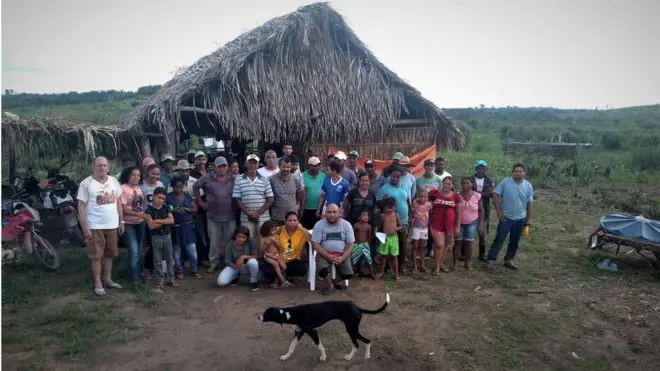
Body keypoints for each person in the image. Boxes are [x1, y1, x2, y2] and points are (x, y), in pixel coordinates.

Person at [77, 157, 125, 296]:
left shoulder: (113, 181)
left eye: (104, 165)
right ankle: (97, 281)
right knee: (96, 255)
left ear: (108, 167)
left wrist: (121, 221)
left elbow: (118, 202)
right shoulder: (86, 183)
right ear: (94, 166)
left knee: (110, 253)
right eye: (99, 165)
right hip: (95, 225)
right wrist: (85, 227)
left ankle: (108, 279)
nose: (102, 168)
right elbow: (81, 206)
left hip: (112, 224)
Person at [486, 163, 533, 270]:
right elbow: (495, 194)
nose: (517, 173)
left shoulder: (528, 185)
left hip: (520, 218)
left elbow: (530, 202)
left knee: (515, 240)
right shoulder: (505, 182)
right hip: (506, 217)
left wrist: (529, 218)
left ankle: (509, 259)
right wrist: (499, 211)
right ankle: (491, 259)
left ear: (524, 173)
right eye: (515, 171)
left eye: (520, 171)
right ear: (512, 172)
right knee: (500, 238)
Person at [193, 156, 236, 274]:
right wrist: (200, 202)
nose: (222, 168)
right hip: (213, 216)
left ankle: (229, 262)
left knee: (230, 241)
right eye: (219, 166)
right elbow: (195, 187)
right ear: (215, 167)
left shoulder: (234, 178)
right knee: (214, 242)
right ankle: (213, 263)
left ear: (227, 167)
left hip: (230, 216)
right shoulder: (207, 178)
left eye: (224, 166)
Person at [311, 204, 354, 295]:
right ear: (325, 213)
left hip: (341, 254)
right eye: (329, 212)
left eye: (334, 212)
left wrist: (342, 257)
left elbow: (350, 244)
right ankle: (331, 287)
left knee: (349, 274)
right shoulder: (319, 225)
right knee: (323, 271)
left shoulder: (346, 225)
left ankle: (333, 282)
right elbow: (315, 243)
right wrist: (328, 256)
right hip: (324, 254)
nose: (332, 215)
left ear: (339, 213)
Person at [260, 211, 311, 284]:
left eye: (295, 220)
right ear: (285, 222)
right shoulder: (279, 230)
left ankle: (285, 275)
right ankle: (278, 277)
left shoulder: (302, 231)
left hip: (292, 259)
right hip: (277, 258)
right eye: (290, 220)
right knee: (268, 272)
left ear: (298, 221)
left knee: (301, 269)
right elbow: (265, 233)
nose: (292, 222)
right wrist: (266, 250)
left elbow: (312, 240)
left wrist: (302, 228)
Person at [232, 154, 274, 241]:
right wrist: (249, 214)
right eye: (250, 163)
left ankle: (262, 255)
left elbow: (270, 198)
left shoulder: (265, 179)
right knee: (247, 241)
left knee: (264, 240)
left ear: (258, 164)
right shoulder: (238, 179)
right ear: (245, 164)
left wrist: (257, 214)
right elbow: (237, 199)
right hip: (246, 218)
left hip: (263, 217)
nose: (252, 165)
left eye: (255, 163)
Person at [167, 177, 201, 279]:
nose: (178, 189)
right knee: (176, 252)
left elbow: (195, 209)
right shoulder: (168, 197)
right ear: (172, 186)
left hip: (188, 226)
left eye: (180, 187)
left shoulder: (187, 195)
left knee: (192, 251)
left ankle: (195, 270)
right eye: (176, 187)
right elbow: (164, 211)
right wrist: (173, 211)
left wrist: (188, 209)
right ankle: (179, 271)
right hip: (175, 227)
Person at [378, 168, 412, 270]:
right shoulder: (385, 188)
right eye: (393, 176)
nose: (395, 178)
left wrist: (411, 214)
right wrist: (384, 199)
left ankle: (401, 265)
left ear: (400, 178)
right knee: (387, 243)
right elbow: (379, 203)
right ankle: (387, 266)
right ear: (390, 176)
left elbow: (408, 202)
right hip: (389, 221)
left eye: (397, 177)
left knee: (402, 242)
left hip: (403, 220)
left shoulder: (404, 187)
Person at [119, 165, 148, 284]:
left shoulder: (140, 189)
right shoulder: (122, 189)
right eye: (133, 175)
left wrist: (144, 215)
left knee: (140, 249)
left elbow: (142, 206)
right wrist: (139, 215)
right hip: (128, 223)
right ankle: (135, 278)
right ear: (128, 176)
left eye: (138, 175)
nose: (136, 177)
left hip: (140, 223)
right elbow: (123, 209)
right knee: (134, 249)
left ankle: (139, 273)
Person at [428, 177, 462, 275]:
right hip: (436, 223)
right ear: (442, 183)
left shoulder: (456, 196)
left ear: (452, 185)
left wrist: (457, 226)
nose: (447, 185)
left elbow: (459, 212)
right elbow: (425, 202)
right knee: (439, 245)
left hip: (449, 224)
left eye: (449, 184)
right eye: (445, 183)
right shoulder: (434, 193)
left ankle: (441, 263)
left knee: (445, 245)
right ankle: (437, 267)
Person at [145, 187, 177, 290]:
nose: (161, 200)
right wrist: (165, 221)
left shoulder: (166, 207)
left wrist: (158, 221)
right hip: (156, 237)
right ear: (153, 197)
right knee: (157, 259)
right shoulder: (148, 210)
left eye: (163, 199)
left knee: (170, 259)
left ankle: (171, 279)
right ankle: (160, 280)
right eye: (159, 197)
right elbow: (151, 226)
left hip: (167, 236)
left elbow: (172, 221)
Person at [216, 225, 260, 291]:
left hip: (247, 266)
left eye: (243, 237)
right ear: (235, 236)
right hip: (234, 266)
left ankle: (253, 281)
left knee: (253, 262)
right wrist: (237, 266)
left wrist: (243, 256)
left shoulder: (250, 241)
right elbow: (228, 261)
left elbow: (257, 255)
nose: (241, 239)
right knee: (221, 282)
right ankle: (235, 276)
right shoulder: (230, 244)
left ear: (247, 238)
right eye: (239, 236)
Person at [455, 177, 485, 270]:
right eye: (463, 183)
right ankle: (455, 262)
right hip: (459, 222)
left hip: (472, 222)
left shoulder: (477, 196)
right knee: (458, 242)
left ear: (472, 184)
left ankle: (467, 263)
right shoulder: (456, 195)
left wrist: (481, 224)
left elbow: (481, 210)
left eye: (468, 183)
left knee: (469, 243)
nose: (466, 185)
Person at [141, 163, 164, 279]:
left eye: (157, 174)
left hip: (159, 218)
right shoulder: (142, 185)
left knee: (158, 244)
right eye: (153, 173)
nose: (155, 176)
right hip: (147, 219)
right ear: (147, 173)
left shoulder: (160, 184)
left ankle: (155, 268)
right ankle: (147, 268)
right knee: (150, 244)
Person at [269, 156, 304, 224]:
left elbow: (299, 194)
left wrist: (292, 204)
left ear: (290, 167)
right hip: (276, 216)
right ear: (279, 166)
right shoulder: (272, 179)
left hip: (292, 216)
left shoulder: (296, 178)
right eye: (284, 167)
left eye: (288, 167)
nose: (286, 169)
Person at [190, 151, 209, 267]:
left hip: (211, 208)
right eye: (198, 159)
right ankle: (201, 258)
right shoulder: (192, 174)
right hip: (198, 208)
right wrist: (199, 203)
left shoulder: (211, 173)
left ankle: (208, 256)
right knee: (200, 234)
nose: (201, 161)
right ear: (195, 161)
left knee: (210, 234)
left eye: (203, 159)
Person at [472, 160, 494, 261]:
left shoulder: (489, 180)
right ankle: (463, 253)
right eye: (479, 168)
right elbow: (467, 190)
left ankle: (482, 254)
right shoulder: (470, 179)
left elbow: (489, 194)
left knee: (482, 231)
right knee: (469, 230)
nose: (481, 170)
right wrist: (482, 193)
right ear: (476, 169)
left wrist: (475, 192)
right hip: (471, 208)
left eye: (483, 168)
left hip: (484, 208)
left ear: (486, 169)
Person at [260, 221, 293, 288]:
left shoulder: (276, 236)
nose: (275, 231)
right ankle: (283, 280)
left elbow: (279, 246)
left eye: (275, 229)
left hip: (277, 255)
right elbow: (262, 250)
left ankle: (276, 280)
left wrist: (275, 241)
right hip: (268, 256)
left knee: (284, 267)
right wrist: (267, 244)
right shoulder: (263, 238)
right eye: (273, 230)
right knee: (275, 264)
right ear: (267, 230)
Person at [375, 197, 401, 280]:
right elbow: (379, 227)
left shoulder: (396, 215)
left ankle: (396, 273)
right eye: (388, 207)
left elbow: (401, 226)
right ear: (385, 207)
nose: (390, 210)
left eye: (392, 208)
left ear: (394, 207)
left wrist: (396, 229)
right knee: (384, 256)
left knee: (394, 256)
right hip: (385, 238)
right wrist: (376, 233)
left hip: (394, 238)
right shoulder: (382, 216)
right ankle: (381, 272)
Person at [411, 188, 432, 273]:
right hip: (416, 228)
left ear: (427, 197)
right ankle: (414, 265)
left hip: (425, 228)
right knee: (415, 246)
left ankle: (422, 265)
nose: (422, 198)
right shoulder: (415, 203)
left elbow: (431, 212)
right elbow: (412, 203)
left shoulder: (429, 205)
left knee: (422, 247)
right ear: (417, 197)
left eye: (424, 197)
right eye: (420, 197)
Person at [301, 156, 325, 229]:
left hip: (319, 208)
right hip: (306, 208)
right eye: (314, 166)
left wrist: (320, 208)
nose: (317, 167)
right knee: (307, 229)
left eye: (318, 165)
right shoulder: (302, 176)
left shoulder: (323, 176)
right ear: (309, 166)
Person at [351, 210, 375, 278]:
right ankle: (353, 272)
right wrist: (352, 245)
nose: (366, 217)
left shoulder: (369, 226)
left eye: (367, 215)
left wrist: (368, 245)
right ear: (359, 217)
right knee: (353, 259)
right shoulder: (356, 225)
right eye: (364, 215)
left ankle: (372, 273)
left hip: (365, 244)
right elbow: (352, 235)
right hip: (356, 244)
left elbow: (369, 237)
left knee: (369, 259)